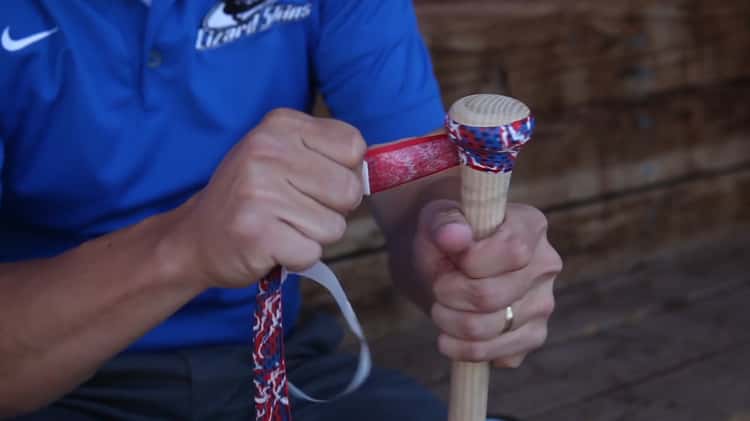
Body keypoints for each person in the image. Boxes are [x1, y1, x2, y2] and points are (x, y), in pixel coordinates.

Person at [0, 1, 562, 420]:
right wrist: (184, 247)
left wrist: (467, 265)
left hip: (275, 369)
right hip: (52, 384)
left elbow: (419, 201)